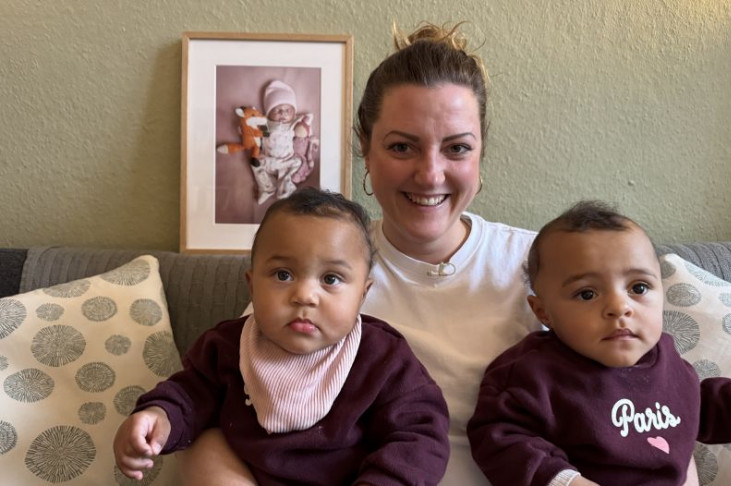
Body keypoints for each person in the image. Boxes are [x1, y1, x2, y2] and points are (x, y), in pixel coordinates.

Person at [178, 21, 541, 485]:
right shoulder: (314, 267)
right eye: (402, 146)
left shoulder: (543, 269)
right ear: (366, 150)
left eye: (457, 148)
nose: (430, 175)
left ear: (480, 154)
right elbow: (220, 419)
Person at [113, 187, 450, 484]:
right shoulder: (226, 347)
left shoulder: (383, 357)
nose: (304, 296)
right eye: (283, 275)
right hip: (246, 477)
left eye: (331, 279)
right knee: (205, 450)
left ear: (362, 294)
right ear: (252, 285)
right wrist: (158, 417)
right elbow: (188, 394)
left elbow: (420, 433)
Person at [467, 201, 731, 486]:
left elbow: (696, 407)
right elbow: (499, 438)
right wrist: (566, 481)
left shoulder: (666, 358)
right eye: (587, 294)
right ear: (543, 312)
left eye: (639, 287)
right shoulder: (533, 373)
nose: (619, 307)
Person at [251, 80, 318, 204]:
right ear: (268, 113)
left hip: (287, 160)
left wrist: (305, 127)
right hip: (270, 161)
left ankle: (286, 189)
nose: (282, 113)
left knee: (298, 162)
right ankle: (267, 187)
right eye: (277, 110)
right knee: (255, 163)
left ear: (294, 114)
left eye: (287, 110)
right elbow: (253, 131)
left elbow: (305, 127)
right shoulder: (265, 124)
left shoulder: (293, 123)